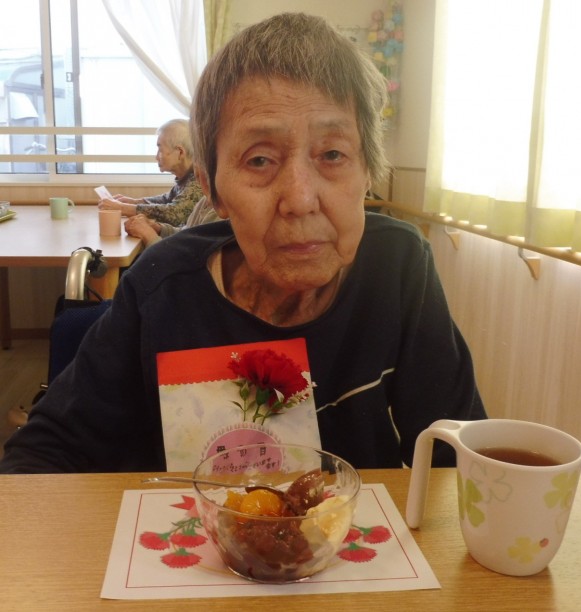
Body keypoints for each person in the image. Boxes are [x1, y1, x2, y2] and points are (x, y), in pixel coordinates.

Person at [0, 13, 485, 474]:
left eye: (333, 154)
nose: (300, 199)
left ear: (367, 173)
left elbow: (459, 458)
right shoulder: (162, 286)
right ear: (212, 190)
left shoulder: (397, 267)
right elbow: (43, 451)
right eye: (259, 160)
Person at [98, 118, 203, 227]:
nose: (156, 157)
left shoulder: (199, 180)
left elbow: (175, 214)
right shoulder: (187, 178)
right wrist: (134, 202)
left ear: (180, 152)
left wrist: (123, 208)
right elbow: (166, 200)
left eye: (160, 150)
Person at [124, 195, 218, 247]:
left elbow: (183, 264)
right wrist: (159, 228)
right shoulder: (205, 199)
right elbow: (186, 233)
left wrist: (148, 235)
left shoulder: (220, 211)